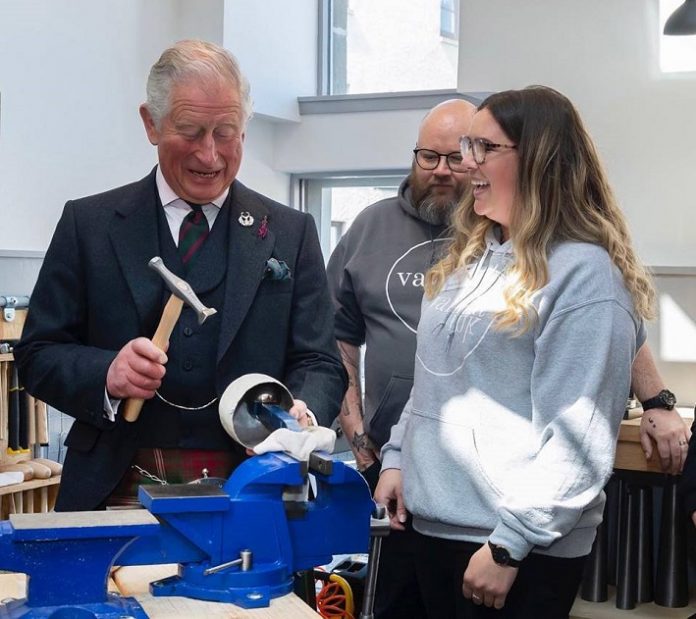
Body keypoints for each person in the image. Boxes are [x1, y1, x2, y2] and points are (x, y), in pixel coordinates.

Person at [14, 40, 346, 511]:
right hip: (117, 483)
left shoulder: (290, 232)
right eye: (190, 131)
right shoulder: (88, 224)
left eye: (226, 132)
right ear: (151, 123)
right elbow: (37, 355)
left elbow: (322, 362)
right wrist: (106, 374)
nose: (210, 155)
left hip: (253, 485)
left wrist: (300, 413)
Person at [375, 85, 657, 618]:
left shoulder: (584, 276)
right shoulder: (471, 259)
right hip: (432, 526)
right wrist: (397, 459)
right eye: (466, 147)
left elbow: (580, 441)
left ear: (540, 162)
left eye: (484, 148)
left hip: (512, 546)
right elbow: (436, 382)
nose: (466, 163)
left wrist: (510, 543)